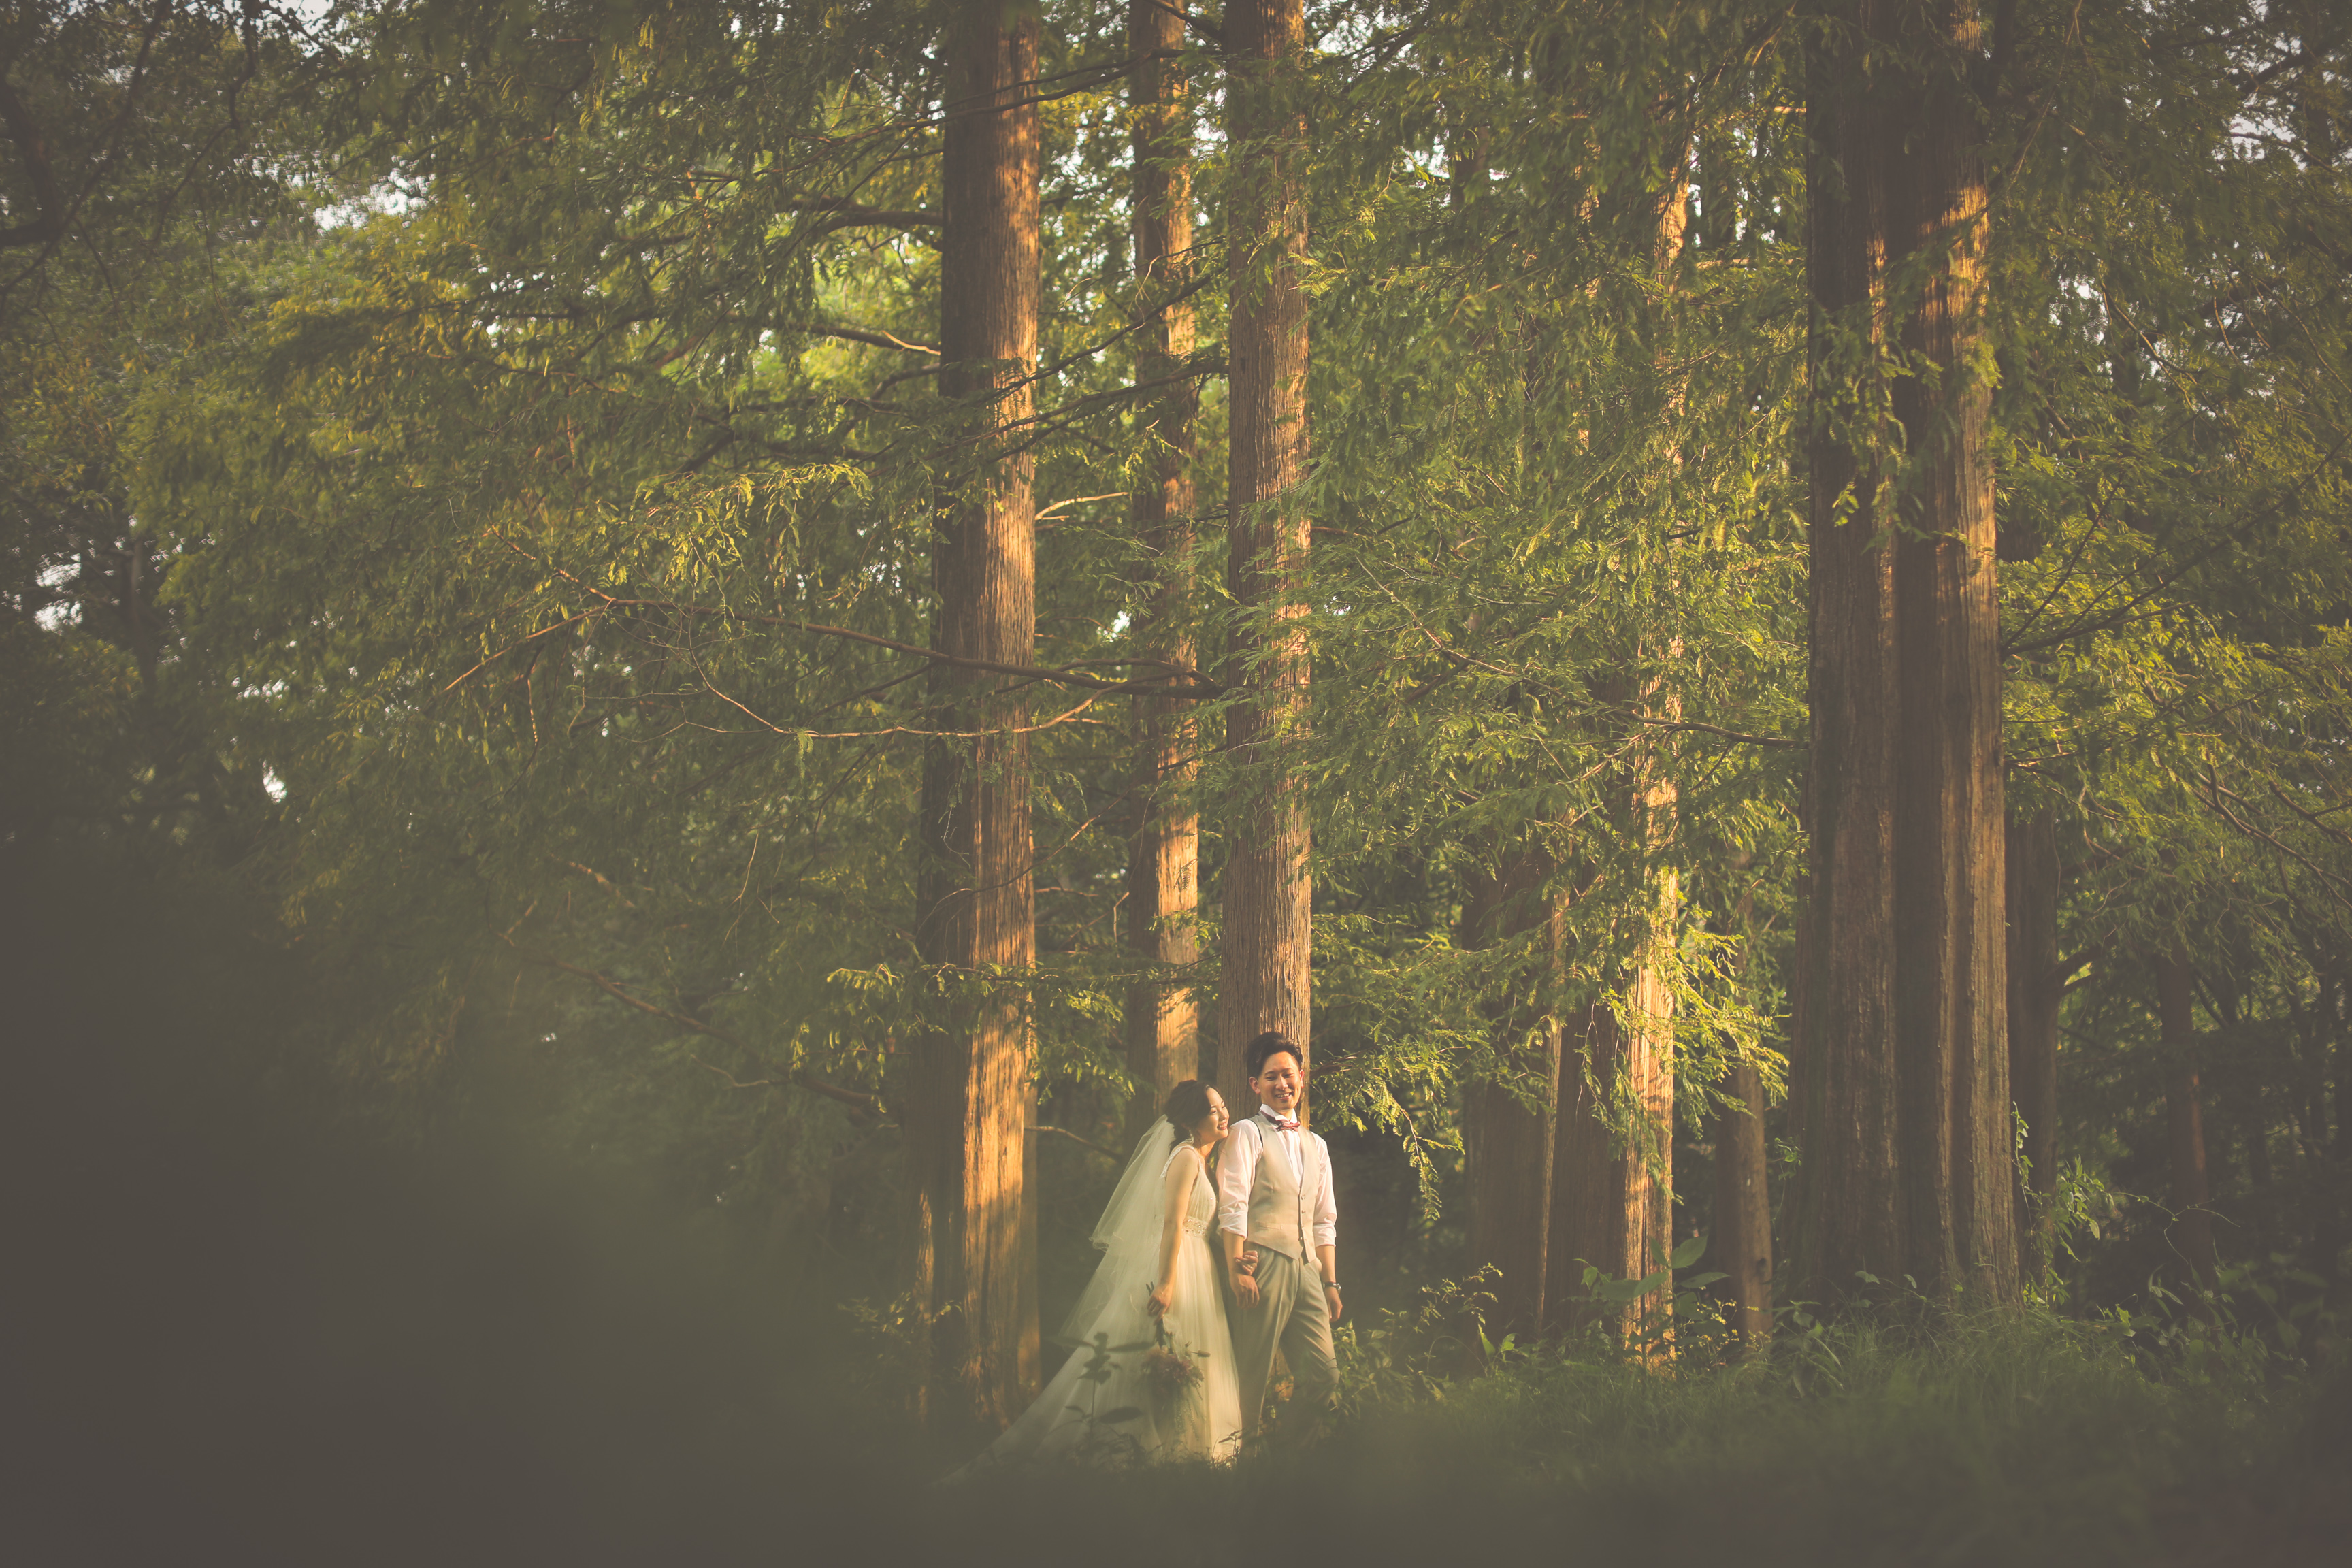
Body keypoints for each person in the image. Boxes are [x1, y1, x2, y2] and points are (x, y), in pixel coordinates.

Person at [949, 1081, 1243, 1474]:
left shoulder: (1201, 1160)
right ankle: (1135, 1455)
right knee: (1156, 1355)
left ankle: (1184, 1456)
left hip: (1196, 1265)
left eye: (1222, 1106)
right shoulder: (1187, 1157)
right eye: (1213, 1110)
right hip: (1176, 1264)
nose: (1223, 1114)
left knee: (1184, 1357)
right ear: (1193, 1121)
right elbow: (1172, 1223)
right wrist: (1167, 1282)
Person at [1215, 1032, 1341, 1443]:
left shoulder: (1317, 1145)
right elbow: (1233, 1205)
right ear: (1256, 1085)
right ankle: (1239, 1465)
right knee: (1250, 1374)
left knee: (1324, 1375)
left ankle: (1284, 1456)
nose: (1282, 1084)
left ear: (1302, 1078)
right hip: (1262, 1264)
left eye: (1288, 1075)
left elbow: (1324, 1220)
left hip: (1309, 1272)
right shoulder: (1246, 1133)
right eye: (1271, 1077)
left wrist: (1330, 1283)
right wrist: (1238, 1270)